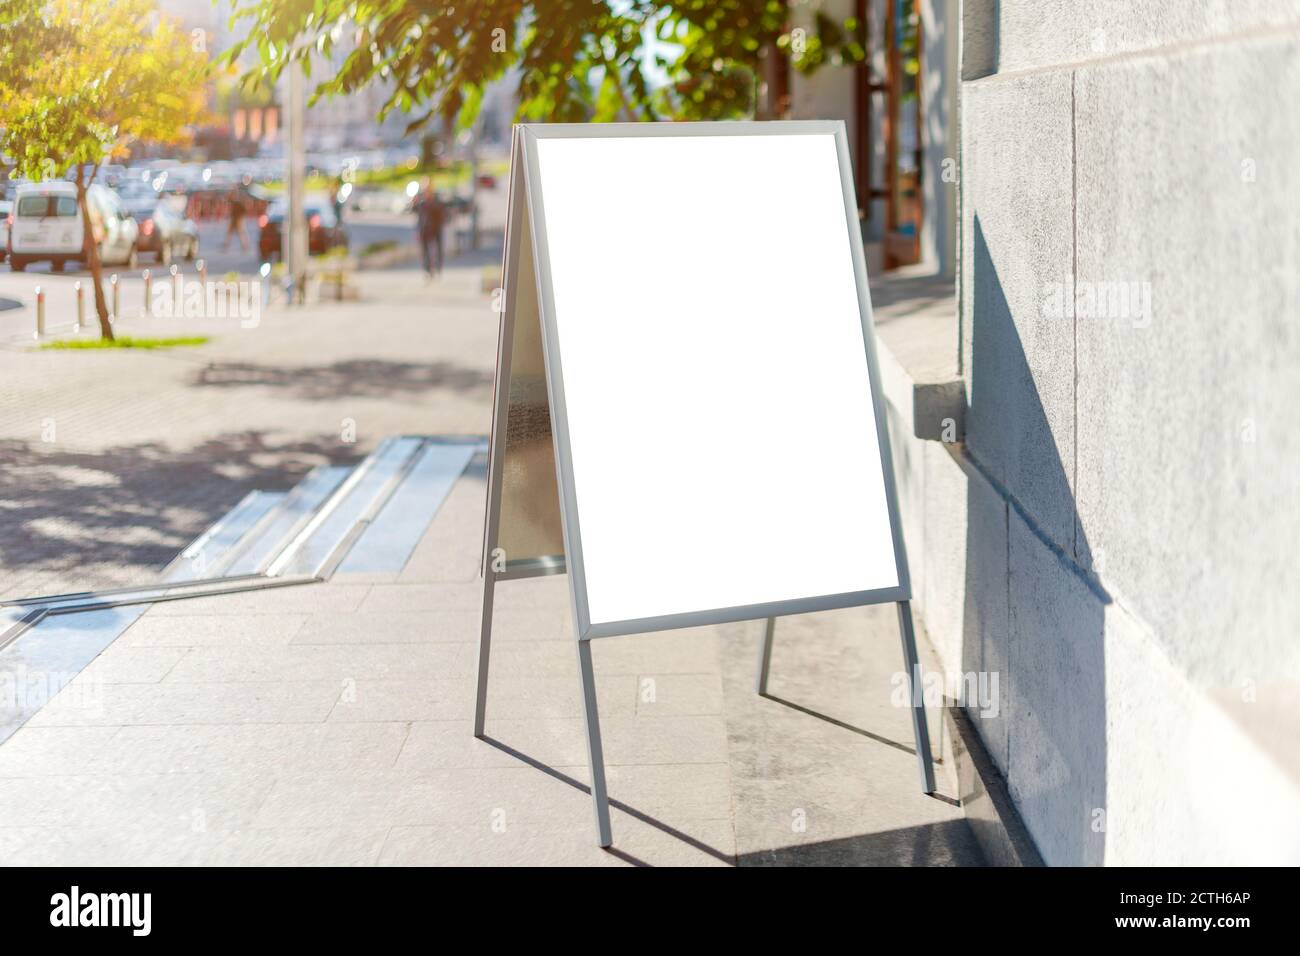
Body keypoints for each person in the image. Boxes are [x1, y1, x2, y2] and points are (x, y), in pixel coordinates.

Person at [412, 178, 445, 278]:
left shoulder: (436, 199)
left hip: (436, 228)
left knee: (438, 249)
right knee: (425, 250)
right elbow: (416, 213)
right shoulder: (421, 200)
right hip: (424, 229)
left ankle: (438, 267)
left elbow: (441, 213)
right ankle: (427, 270)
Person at [222, 187, 249, 252]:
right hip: (234, 218)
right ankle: (226, 245)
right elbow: (227, 199)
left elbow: (244, 210)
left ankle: (245, 245)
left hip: (238, 219)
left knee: (240, 232)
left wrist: (240, 217)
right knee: (230, 232)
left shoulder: (239, 201)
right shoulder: (235, 200)